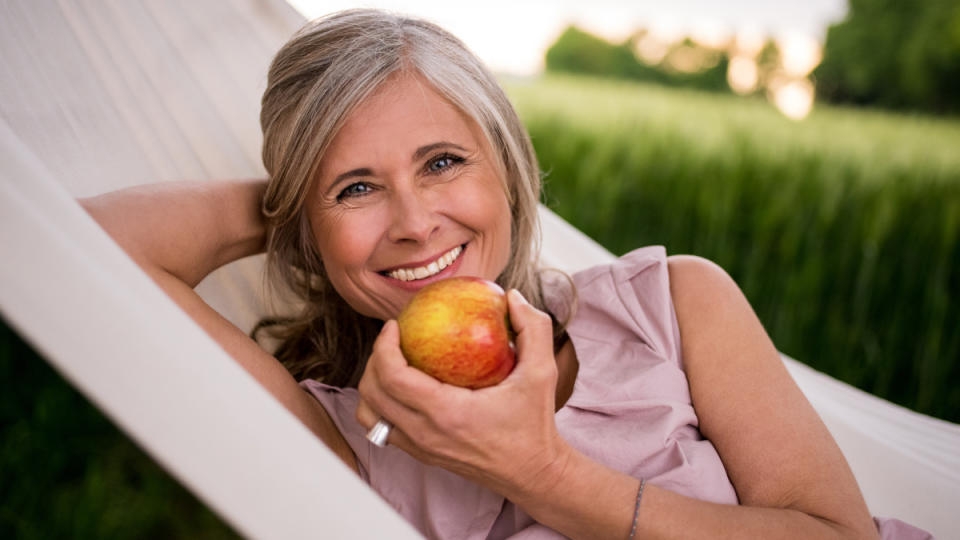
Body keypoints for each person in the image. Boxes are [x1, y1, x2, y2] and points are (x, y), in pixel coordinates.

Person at [80, 8, 928, 540]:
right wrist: (298, 205)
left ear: (509, 168)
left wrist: (542, 474)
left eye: (444, 161)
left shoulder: (670, 307)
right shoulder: (340, 441)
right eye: (360, 187)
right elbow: (81, 245)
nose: (415, 224)